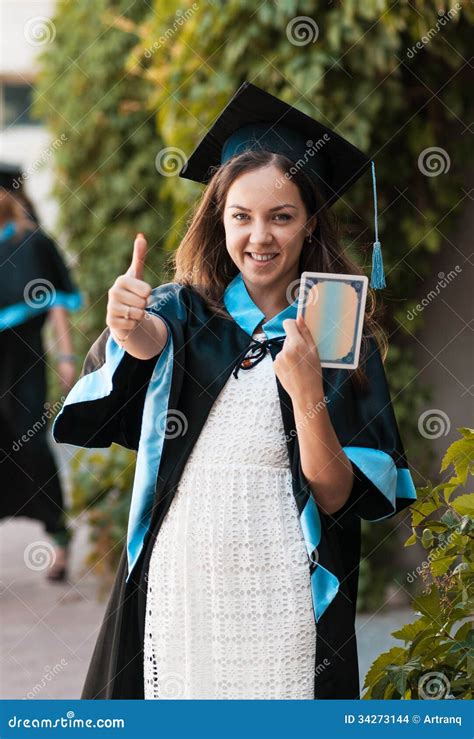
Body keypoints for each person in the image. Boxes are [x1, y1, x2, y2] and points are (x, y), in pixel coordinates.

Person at [52, 82, 417, 699]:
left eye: (282, 216)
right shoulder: (184, 313)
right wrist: (130, 327)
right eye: (241, 216)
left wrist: (307, 394)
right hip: (183, 578)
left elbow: (335, 496)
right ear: (218, 220)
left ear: (309, 224)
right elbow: (150, 341)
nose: (260, 236)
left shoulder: (334, 333)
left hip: (286, 584)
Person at [0, 182, 82, 582]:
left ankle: (58, 534)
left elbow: (55, 304)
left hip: (24, 361)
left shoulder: (31, 244)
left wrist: (66, 355)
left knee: (30, 443)